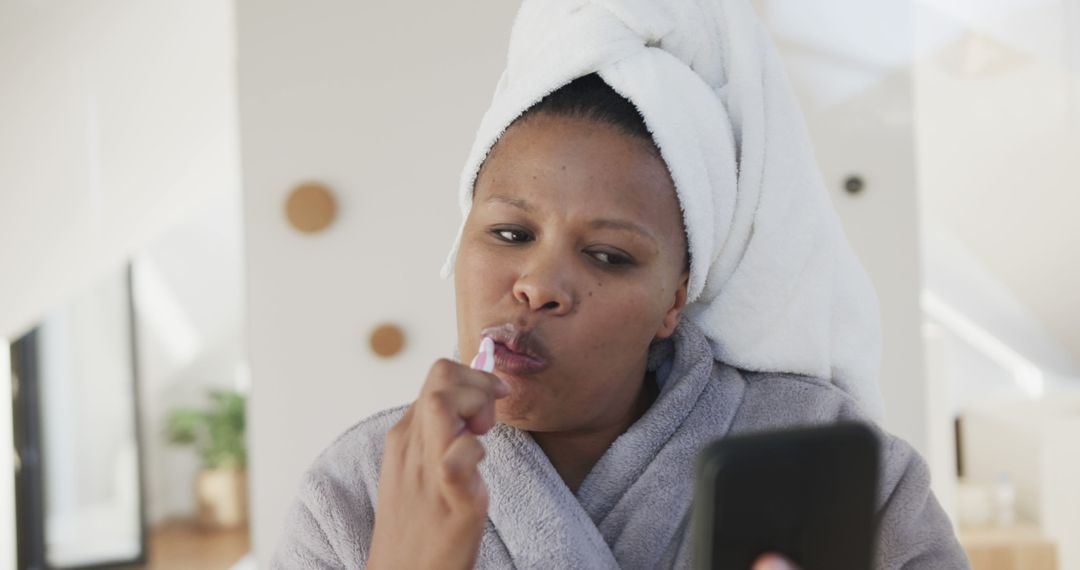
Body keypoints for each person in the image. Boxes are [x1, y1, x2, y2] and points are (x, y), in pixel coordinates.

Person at [272, 1, 970, 569]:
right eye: (510, 235)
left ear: (676, 299)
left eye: (607, 255)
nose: (539, 285)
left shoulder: (824, 456)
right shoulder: (357, 489)